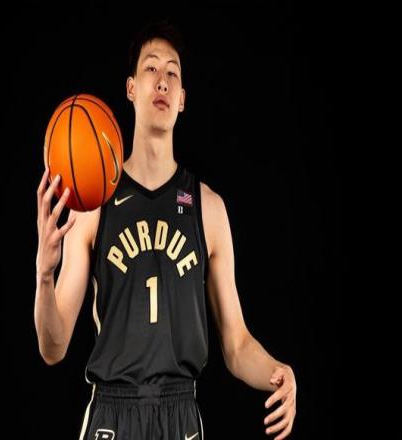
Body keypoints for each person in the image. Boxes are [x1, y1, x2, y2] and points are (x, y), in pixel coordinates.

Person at [34, 19, 297, 440]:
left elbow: (237, 345)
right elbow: (53, 346)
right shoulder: (94, 207)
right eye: (151, 68)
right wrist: (44, 275)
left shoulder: (209, 209)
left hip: (181, 416)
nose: (162, 81)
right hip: (112, 414)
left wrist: (277, 372)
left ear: (182, 99)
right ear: (130, 88)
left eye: (172, 73)